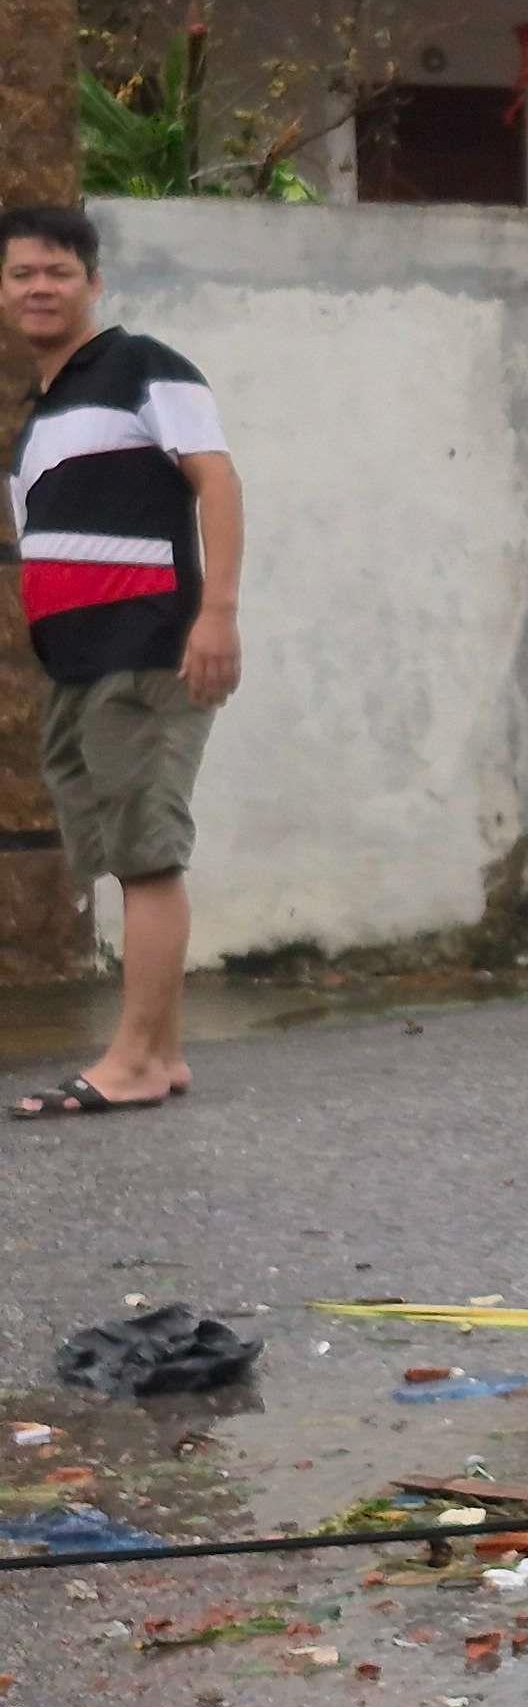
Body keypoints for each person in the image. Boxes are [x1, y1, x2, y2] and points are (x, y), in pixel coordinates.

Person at [3, 205, 241, 1118]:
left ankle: (134, 1059)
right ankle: (164, 1052)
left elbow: (216, 477)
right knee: (119, 854)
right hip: (77, 666)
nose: (39, 288)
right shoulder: (42, 419)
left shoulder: (143, 366)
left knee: (147, 858)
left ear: (92, 283)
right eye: (22, 273)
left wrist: (215, 612)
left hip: (148, 650)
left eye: (58, 272)